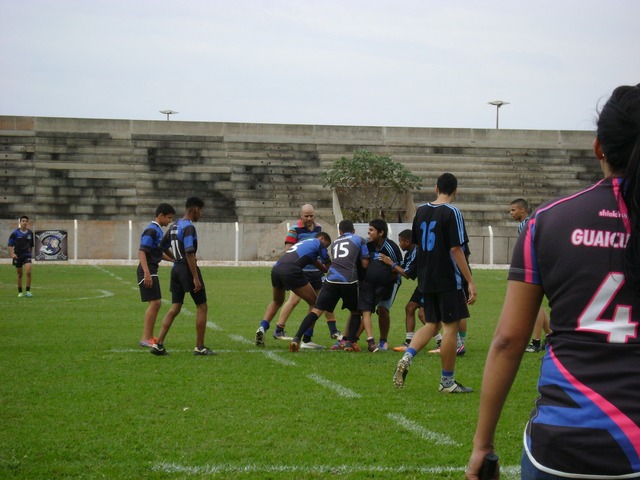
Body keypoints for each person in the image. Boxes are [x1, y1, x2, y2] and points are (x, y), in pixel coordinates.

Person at [466, 84, 640, 479]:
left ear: (599, 147)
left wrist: (483, 445)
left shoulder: (549, 220)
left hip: (563, 442)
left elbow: (509, 341)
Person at [393, 172, 477, 392]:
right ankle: (447, 382)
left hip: (427, 277)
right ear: (455, 191)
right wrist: (470, 281)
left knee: (431, 324)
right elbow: (456, 248)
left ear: (436, 187)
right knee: (450, 327)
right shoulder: (452, 212)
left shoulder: (421, 211)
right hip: (448, 277)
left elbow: (419, 245)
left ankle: (408, 356)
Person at [290, 220, 369, 352]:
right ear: (353, 230)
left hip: (331, 280)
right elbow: (365, 264)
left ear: (340, 232)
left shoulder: (335, 243)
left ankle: (296, 337)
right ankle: (349, 343)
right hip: (349, 281)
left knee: (316, 310)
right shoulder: (360, 240)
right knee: (355, 312)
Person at [150, 197, 215, 356]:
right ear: (195, 209)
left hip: (176, 269)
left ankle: (158, 344)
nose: (201, 214)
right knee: (202, 306)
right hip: (187, 268)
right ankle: (199, 347)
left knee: (175, 307)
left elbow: (162, 246)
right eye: (201, 210)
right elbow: (189, 252)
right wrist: (195, 277)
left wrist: (174, 259)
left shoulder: (174, 225)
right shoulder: (188, 227)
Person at [272, 204, 341, 344]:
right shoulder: (294, 229)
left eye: (311, 215)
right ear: (301, 215)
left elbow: (321, 248)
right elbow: (289, 249)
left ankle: (333, 330)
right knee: (294, 300)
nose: (309, 218)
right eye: (306, 216)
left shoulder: (318, 228)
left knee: (324, 298)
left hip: (316, 270)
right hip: (300, 271)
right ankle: (279, 329)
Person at [255, 232, 332, 349]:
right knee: (315, 303)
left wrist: (325, 269)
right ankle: (307, 338)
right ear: (322, 238)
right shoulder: (318, 243)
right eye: (326, 245)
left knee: (277, 301)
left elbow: (318, 265)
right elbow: (328, 263)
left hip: (276, 268)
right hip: (291, 270)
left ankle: (262, 327)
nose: (325, 248)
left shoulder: (304, 243)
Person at [510, 198, 552, 353]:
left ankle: (535, 342)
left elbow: (529, 248)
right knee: (538, 304)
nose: (511, 213)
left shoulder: (525, 224)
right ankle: (550, 335)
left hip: (535, 267)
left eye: (513, 210)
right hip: (543, 264)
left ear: (523, 210)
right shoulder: (533, 221)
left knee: (535, 305)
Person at [359, 218, 403, 352]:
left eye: (371, 230)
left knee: (383, 310)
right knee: (366, 309)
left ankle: (383, 340)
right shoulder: (367, 244)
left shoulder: (391, 247)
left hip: (390, 282)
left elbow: (398, 269)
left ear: (381, 233)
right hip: (372, 283)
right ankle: (352, 339)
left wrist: (384, 281)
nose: (368, 233)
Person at [137, 203, 176, 347]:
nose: (170, 221)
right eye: (169, 218)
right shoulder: (151, 230)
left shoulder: (157, 230)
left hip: (151, 269)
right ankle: (146, 338)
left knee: (155, 303)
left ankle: (148, 336)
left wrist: (172, 259)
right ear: (161, 216)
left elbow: (157, 253)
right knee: (155, 303)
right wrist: (147, 272)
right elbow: (142, 252)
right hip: (147, 270)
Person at [390, 229, 426, 352]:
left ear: (407, 241)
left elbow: (407, 274)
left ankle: (440, 342)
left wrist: (390, 264)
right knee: (410, 308)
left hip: (429, 284)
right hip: (422, 284)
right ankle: (408, 342)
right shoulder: (409, 253)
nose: (399, 244)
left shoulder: (417, 251)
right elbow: (403, 266)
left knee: (422, 314)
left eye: (400, 241)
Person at [8, 215, 34, 297]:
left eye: (26, 221)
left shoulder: (30, 233)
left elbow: (31, 245)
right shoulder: (15, 233)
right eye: (23, 221)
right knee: (19, 274)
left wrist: (30, 254)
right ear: (20, 222)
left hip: (27, 255)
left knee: (29, 272)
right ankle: (20, 292)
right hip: (18, 256)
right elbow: (9, 245)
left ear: (27, 222)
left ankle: (28, 292)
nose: (25, 222)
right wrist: (12, 254)